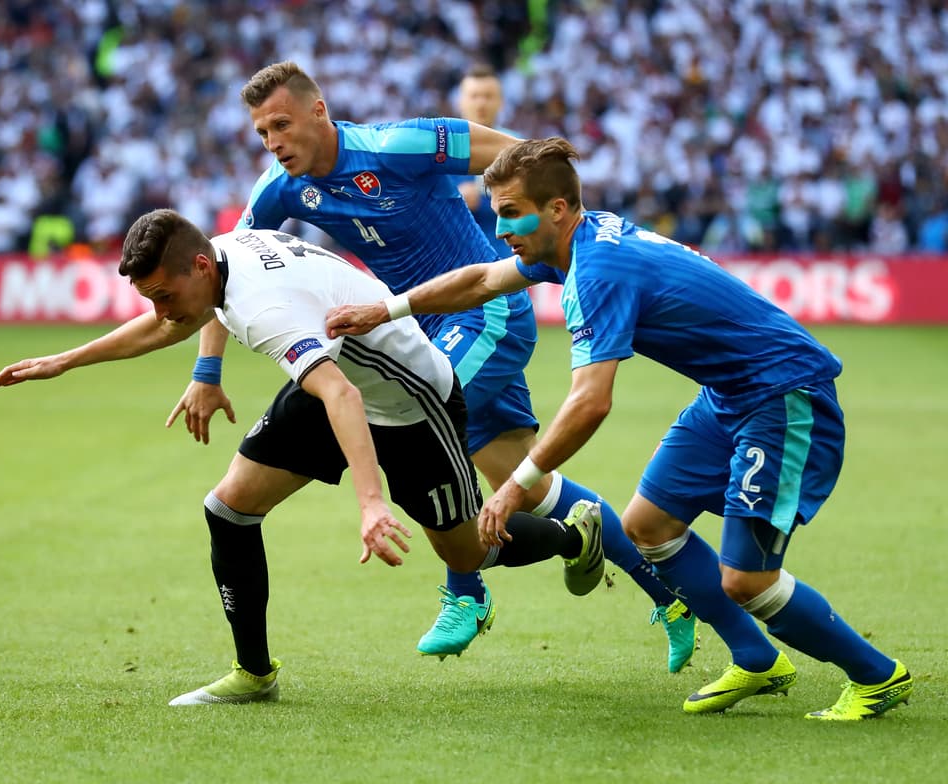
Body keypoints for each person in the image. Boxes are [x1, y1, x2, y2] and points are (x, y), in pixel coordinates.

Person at [324, 137, 913, 720]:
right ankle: (755, 658)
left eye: (509, 213)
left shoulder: (598, 271)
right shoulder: (577, 238)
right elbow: (480, 281)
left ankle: (876, 676)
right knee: (648, 526)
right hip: (729, 395)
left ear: (556, 208)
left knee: (747, 580)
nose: (500, 227)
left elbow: (590, 403)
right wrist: (388, 310)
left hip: (783, 395)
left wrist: (513, 485)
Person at [171, 60, 693, 669]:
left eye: (281, 125)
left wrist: (565, 239)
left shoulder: (401, 145)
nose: (272, 142)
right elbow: (220, 272)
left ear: (319, 111)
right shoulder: (279, 188)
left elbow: (525, 157)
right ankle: (668, 596)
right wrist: (207, 372)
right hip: (417, 330)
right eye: (262, 133)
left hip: (484, 319)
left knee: (413, 430)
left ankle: (466, 593)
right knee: (527, 480)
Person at [0, 209, 604, 704]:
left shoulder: (265, 309)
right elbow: (174, 324)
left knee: (468, 550)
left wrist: (370, 503)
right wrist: (64, 361)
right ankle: (254, 674)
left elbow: (342, 396)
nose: (161, 308)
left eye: (164, 293)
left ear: (200, 266)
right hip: (336, 376)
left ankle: (572, 537)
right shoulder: (223, 257)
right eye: (152, 297)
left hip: (412, 400)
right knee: (229, 507)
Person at [455, 64, 514, 260]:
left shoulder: (516, 149)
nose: (481, 103)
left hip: (504, 260)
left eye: (488, 96)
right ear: (460, 102)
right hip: (452, 260)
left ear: (501, 102)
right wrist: (455, 199)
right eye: (474, 96)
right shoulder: (438, 148)